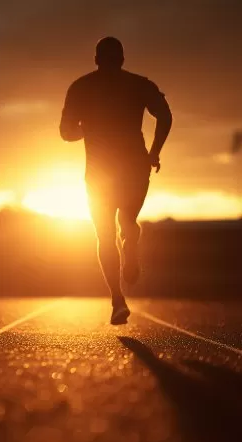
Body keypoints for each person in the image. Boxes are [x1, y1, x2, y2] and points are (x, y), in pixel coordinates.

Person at [59, 36, 172, 325]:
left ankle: (117, 300)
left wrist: (87, 129)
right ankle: (131, 241)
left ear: (96, 59)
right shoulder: (138, 84)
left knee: (104, 236)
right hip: (135, 167)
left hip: (98, 173)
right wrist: (154, 152)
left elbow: (66, 133)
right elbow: (166, 116)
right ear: (122, 59)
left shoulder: (80, 87)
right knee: (126, 221)